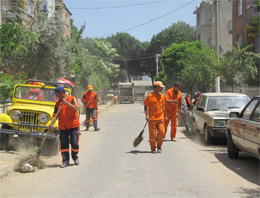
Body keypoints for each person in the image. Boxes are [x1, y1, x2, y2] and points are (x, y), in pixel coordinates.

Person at [49, 86, 80, 168]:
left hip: (73, 125)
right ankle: (65, 161)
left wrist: (66, 103)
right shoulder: (57, 104)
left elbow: (76, 109)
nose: (56, 96)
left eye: (57, 94)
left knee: (74, 143)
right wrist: (51, 124)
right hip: (63, 127)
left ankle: (75, 157)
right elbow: (55, 116)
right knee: (63, 145)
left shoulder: (72, 99)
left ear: (62, 93)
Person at [143, 81, 168, 153]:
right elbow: (145, 107)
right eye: (160, 87)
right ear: (156, 87)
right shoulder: (150, 96)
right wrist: (147, 115)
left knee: (162, 132)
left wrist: (165, 116)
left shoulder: (161, 96)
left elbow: (163, 107)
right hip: (152, 119)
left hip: (161, 118)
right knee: (153, 135)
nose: (161, 88)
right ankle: (153, 148)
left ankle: (159, 147)